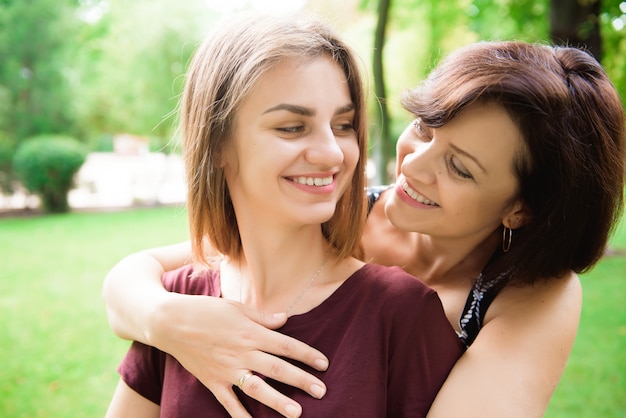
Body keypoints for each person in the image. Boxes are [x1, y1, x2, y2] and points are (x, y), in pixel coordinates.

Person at [103, 37, 626, 417]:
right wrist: (165, 319)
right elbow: (151, 272)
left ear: (521, 209)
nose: (414, 166)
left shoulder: (530, 294)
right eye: (424, 127)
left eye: (460, 168)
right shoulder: (332, 212)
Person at [104, 12, 462, 418]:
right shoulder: (175, 307)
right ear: (218, 144)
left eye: (343, 125)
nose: (331, 152)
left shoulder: (402, 315)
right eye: (292, 127)